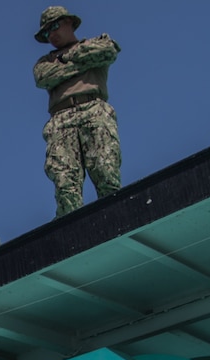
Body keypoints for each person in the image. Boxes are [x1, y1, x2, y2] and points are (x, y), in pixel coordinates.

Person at [32, 6, 122, 218]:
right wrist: (82, 61)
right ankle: (72, 232)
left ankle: (116, 219)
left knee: (105, 171)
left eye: (54, 27)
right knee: (65, 184)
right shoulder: (44, 63)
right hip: (60, 119)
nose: (51, 35)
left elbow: (108, 51)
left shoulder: (96, 43)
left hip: (94, 110)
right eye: (46, 33)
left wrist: (66, 61)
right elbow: (44, 78)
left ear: (69, 22)